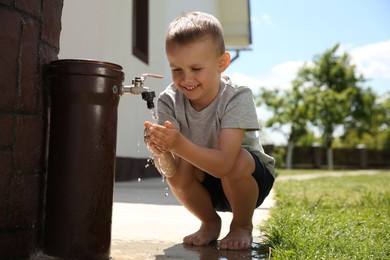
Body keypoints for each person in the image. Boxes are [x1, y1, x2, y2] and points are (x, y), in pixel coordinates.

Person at [144, 11, 275, 251]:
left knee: (237, 160)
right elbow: (171, 171)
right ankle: (209, 222)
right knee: (180, 169)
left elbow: (225, 163)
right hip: (206, 184)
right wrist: (161, 149)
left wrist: (178, 144)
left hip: (248, 182)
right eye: (177, 69)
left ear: (221, 63)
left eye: (196, 68)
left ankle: (241, 225)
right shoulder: (168, 101)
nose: (186, 79)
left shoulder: (236, 96)